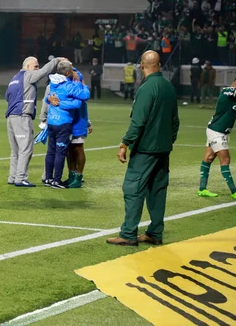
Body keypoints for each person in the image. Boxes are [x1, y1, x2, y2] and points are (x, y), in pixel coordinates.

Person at [107, 50, 179, 246]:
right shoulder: (168, 87)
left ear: (142, 65)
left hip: (146, 149)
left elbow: (138, 122)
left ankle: (128, 233)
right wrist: (166, 142)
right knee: (157, 191)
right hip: (163, 150)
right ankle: (155, 233)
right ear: (159, 64)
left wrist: (124, 144)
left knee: (133, 188)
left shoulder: (147, 88)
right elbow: (175, 123)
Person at [5, 56, 61, 187]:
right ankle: (21, 178)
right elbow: (44, 72)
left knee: (15, 150)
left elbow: (7, 96)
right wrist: (56, 61)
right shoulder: (28, 75)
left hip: (11, 117)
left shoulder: (14, 78)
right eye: (35, 66)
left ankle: (12, 177)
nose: (37, 69)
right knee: (25, 149)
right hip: (22, 116)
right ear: (27, 67)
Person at [43, 68, 93, 188]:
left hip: (78, 119)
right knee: (67, 149)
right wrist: (49, 99)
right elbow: (49, 96)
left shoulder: (77, 77)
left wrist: (88, 122)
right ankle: (71, 174)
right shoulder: (60, 80)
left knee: (78, 148)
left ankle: (79, 176)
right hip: (66, 120)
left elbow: (82, 99)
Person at [197, 78, 236, 199]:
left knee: (208, 158)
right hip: (217, 132)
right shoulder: (227, 91)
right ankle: (234, 191)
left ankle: (202, 189)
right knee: (225, 160)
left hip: (216, 130)